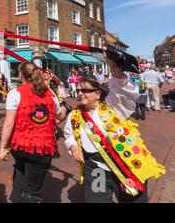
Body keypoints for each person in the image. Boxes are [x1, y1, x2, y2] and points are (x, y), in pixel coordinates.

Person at [63, 57, 165, 203]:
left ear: (98, 94)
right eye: (78, 90)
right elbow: (69, 135)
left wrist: (113, 64)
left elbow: (119, 87)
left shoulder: (112, 106)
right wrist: (73, 147)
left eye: (85, 90)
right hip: (95, 167)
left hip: (125, 162)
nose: (80, 93)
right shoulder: (74, 115)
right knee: (95, 200)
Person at [0, 63, 68, 203]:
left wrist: (3, 147)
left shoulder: (15, 93)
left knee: (20, 173)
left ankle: (17, 198)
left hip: (20, 147)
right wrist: (65, 110)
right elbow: (60, 116)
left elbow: (8, 124)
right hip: (42, 149)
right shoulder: (50, 93)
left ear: (21, 75)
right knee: (32, 192)